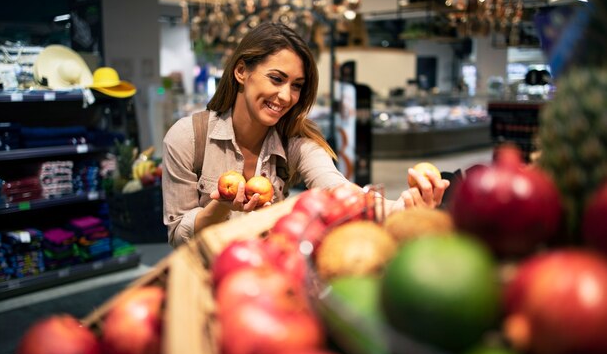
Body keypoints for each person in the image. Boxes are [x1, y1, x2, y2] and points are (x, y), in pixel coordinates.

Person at [162, 22, 449, 248]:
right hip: (205, 284)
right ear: (241, 71)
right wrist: (220, 207)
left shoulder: (296, 143)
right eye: (276, 79)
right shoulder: (189, 137)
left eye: (296, 85)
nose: (286, 96)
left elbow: (338, 190)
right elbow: (177, 235)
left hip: (269, 279)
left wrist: (404, 207)